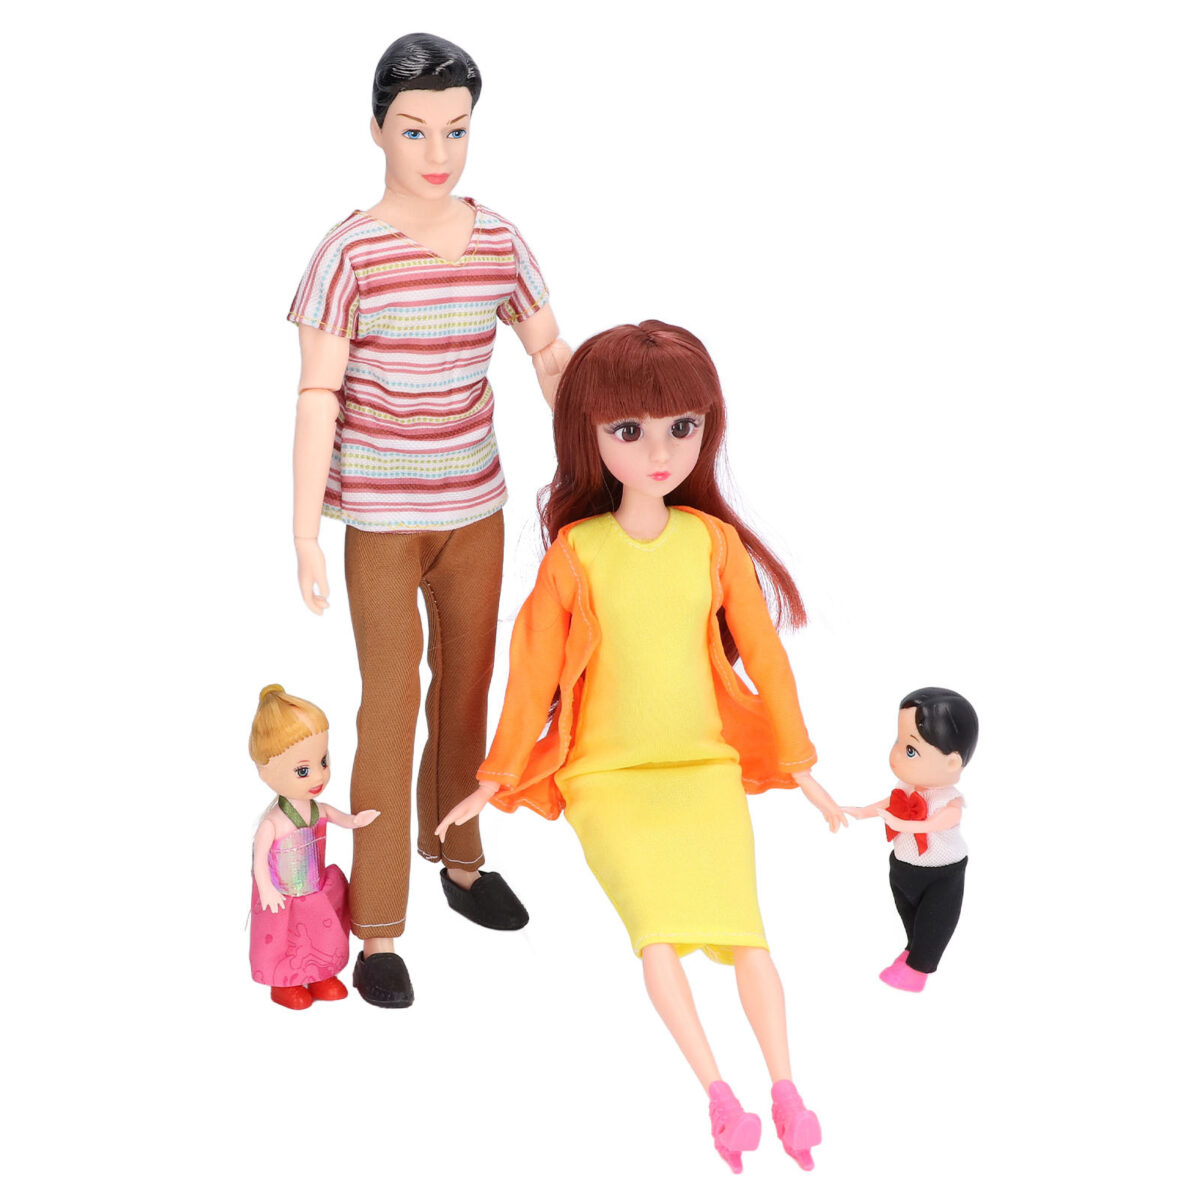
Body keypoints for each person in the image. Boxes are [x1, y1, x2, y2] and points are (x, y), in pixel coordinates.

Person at [437, 321, 843, 1173]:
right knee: (656, 934)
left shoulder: (711, 542)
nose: (660, 453)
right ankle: (719, 1096)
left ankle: (787, 1090)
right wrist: (497, 775)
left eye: (680, 428)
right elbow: (532, 667)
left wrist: (801, 764)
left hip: (704, 771)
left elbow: (763, 654)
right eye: (630, 431)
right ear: (588, 434)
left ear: (706, 427)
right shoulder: (578, 553)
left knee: (748, 934)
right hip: (609, 778)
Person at [287, 33, 570, 1007]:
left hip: (475, 503)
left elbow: (548, 353)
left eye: (456, 129)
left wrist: (602, 440)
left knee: (468, 685)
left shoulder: (498, 240)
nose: (438, 151)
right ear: (377, 130)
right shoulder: (348, 253)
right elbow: (317, 394)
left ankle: (459, 854)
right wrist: (303, 529)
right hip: (381, 515)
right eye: (415, 130)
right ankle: (377, 927)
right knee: (388, 704)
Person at [248, 685, 379, 1010]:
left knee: (321, 935)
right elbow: (259, 860)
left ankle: (321, 974)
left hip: (315, 890)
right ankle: (285, 984)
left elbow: (339, 818)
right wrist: (266, 889)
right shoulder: (273, 823)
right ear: (265, 771)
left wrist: (356, 820)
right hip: (284, 896)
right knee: (286, 942)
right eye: (303, 770)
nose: (318, 776)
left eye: (323, 761)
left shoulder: (317, 809)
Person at [842, 687, 979, 992]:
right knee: (910, 915)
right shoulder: (904, 786)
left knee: (935, 922)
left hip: (941, 873)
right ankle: (911, 949)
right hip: (903, 868)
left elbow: (942, 822)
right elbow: (888, 803)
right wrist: (863, 812)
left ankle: (918, 970)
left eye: (910, 750)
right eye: (898, 742)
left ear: (951, 763)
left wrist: (902, 823)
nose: (896, 756)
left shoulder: (947, 799)